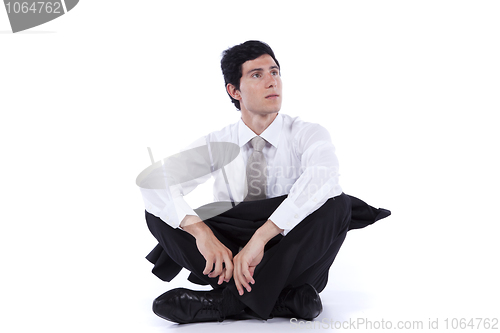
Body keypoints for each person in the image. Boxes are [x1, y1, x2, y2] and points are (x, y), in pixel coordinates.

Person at [138, 40, 390, 324]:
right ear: (234, 91)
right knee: (159, 211)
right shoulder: (218, 142)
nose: (272, 82)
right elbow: (154, 182)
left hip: (291, 251)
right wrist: (202, 235)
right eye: (257, 74)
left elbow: (323, 175)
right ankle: (283, 301)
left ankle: (223, 303)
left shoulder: (307, 133)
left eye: (275, 72)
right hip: (232, 261)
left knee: (338, 204)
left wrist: (262, 237)